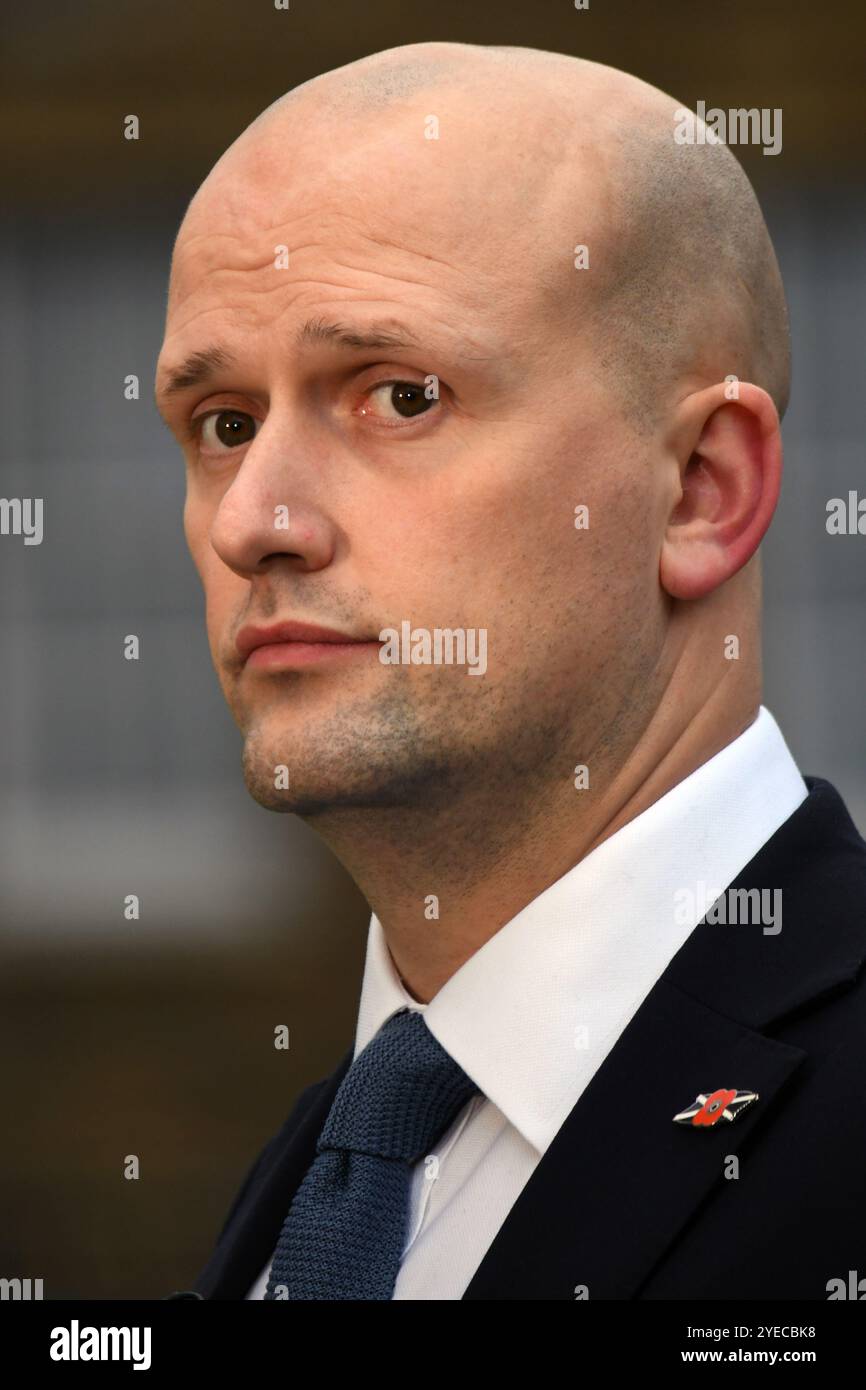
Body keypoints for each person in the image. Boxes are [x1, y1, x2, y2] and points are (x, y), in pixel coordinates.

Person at [155, 41, 866, 1300]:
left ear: (701, 489)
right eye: (223, 425)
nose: (251, 522)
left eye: (398, 396)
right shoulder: (316, 1182)